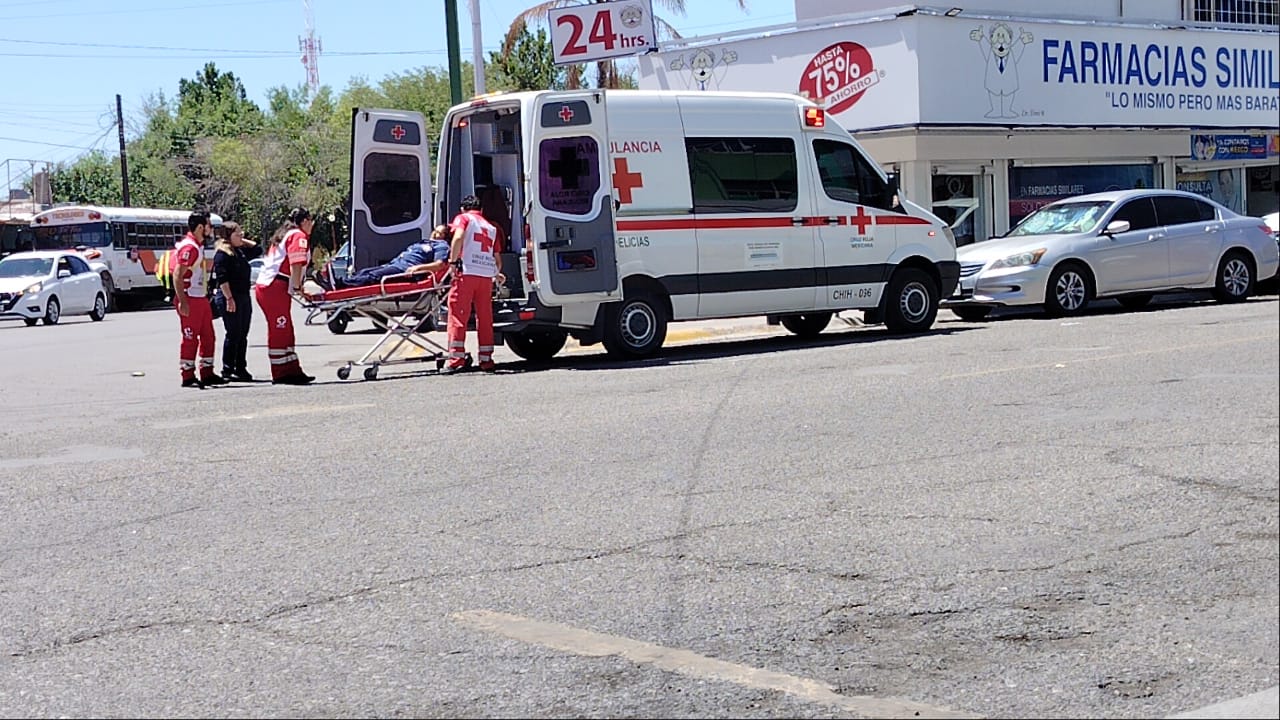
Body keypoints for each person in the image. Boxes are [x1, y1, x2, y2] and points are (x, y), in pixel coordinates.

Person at [253, 207, 316, 385]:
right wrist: (297, 287)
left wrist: (298, 287)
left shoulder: (287, 234)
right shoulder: (298, 236)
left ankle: (293, 369)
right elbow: (296, 264)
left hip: (277, 286)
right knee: (279, 328)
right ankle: (280, 372)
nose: (312, 226)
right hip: (274, 286)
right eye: (311, 221)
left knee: (286, 329)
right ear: (305, 221)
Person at [442, 195, 504, 374]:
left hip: (467, 272)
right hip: (485, 276)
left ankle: (456, 359)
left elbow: (459, 237)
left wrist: (452, 263)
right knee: (485, 318)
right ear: (481, 210)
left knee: (458, 315)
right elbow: (497, 258)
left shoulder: (463, 219)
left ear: (463, 208)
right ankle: (486, 359)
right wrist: (495, 273)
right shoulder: (491, 227)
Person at [172, 211, 227, 388]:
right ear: (201, 227)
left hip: (200, 297)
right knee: (190, 337)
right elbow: (177, 275)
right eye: (209, 226)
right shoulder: (190, 248)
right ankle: (187, 375)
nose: (211, 230)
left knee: (208, 336)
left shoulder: (198, 246)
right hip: (190, 298)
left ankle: (207, 372)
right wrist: (183, 301)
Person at [211, 221, 262, 381]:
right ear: (227, 236)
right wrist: (229, 298)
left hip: (244, 295)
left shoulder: (239, 251)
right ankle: (228, 369)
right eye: (237, 234)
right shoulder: (222, 254)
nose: (241, 236)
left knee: (243, 334)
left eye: (241, 234)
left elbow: (257, 249)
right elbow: (222, 278)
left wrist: (241, 240)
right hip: (229, 296)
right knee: (233, 333)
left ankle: (240, 368)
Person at [333, 225, 451, 288]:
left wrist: (418, 269)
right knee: (364, 272)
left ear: (444, 237)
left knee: (373, 276)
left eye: (439, 233)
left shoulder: (441, 245)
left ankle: (341, 284)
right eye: (435, 231)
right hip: (396, 265)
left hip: (406, 270)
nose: (435, 234)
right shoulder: (423, 242)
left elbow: (440, 264)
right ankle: (339, 283)